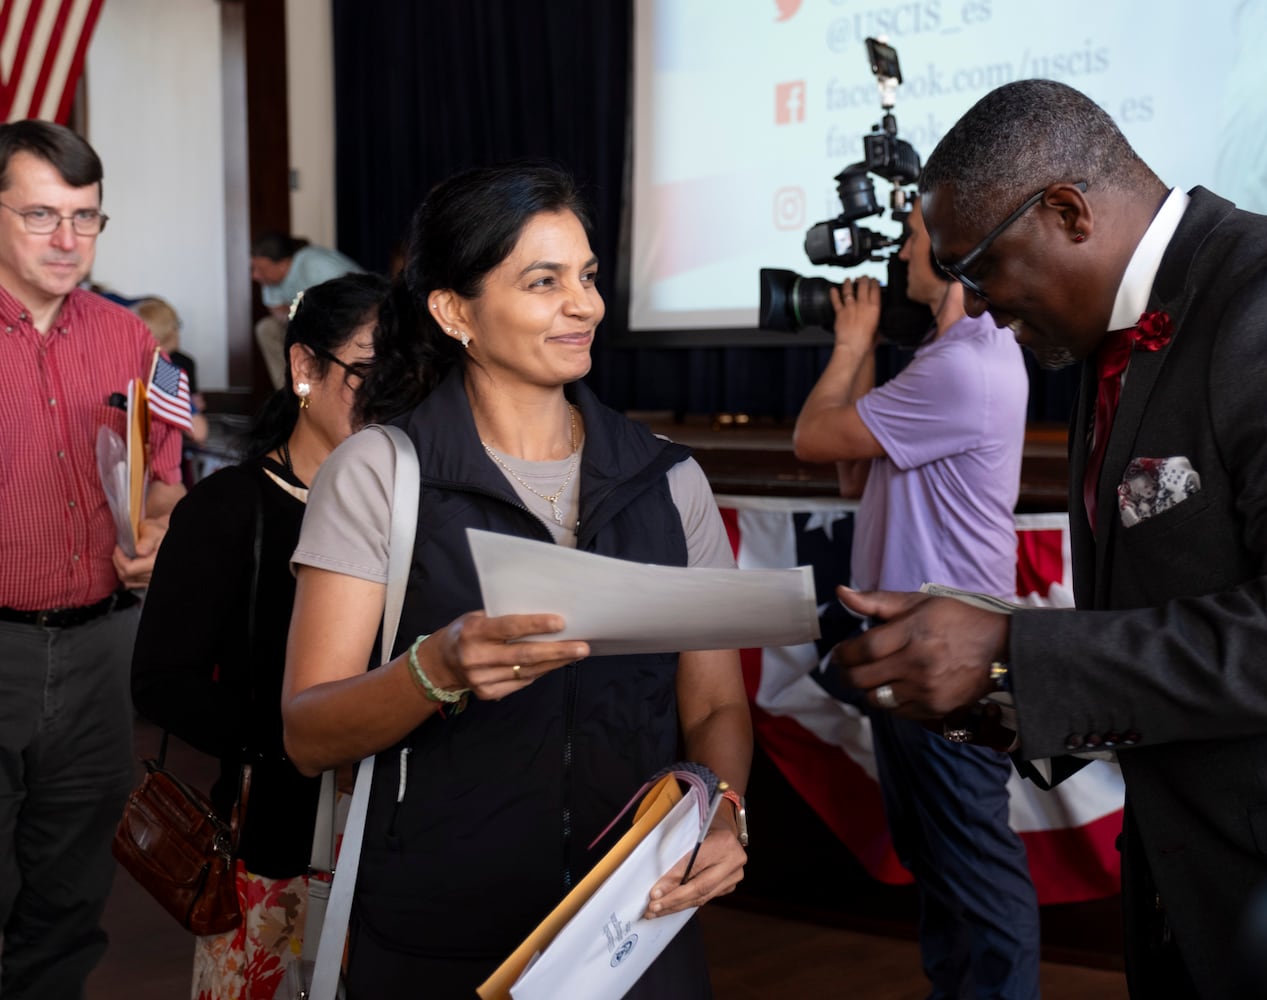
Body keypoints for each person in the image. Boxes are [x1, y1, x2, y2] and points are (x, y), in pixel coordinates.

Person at [830, 78, 1267, 1000]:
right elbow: (1182, 608)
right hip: (1212, 878)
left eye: (978, 271)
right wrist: (989, 683)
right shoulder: (1113, 349)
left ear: (1065, 211)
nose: (975, 309)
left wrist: (1018, 654)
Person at [280, 163, 751, 998]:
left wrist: (720, 809)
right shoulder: (381, 476)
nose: (586, 304)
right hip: (443, 931)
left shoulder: (669, 480)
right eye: (544, 282)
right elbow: (309, 730)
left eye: (589, 276)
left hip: (635, 923)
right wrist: (437, 670)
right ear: (455, 311)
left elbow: (713, 706)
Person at [791, 199, 1038, 1000]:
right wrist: (866, 354)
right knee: (938, 855)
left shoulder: (966, 362)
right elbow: (853, 468)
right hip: (910, 646)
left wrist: (852, 342)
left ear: (957, 251)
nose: (900, 257)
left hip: (949, 654)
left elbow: (813, 439)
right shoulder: (945, 357)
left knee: (973, 859)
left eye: (912, 240)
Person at [131, 273, 386, 1000]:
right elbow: (161, 682)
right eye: (369, 372)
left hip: (398, 841)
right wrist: (304, 740)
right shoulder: (229, 508)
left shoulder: (416, 509)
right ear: (306, 368)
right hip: (276, 833)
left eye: (411, 377)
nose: (392, 396)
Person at [0, 120, 185, 998]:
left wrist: (156, 532)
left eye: (87, 217)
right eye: (42, 216)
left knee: (71, 895)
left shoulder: (131, 342)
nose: (68, 240)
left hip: (103, 650)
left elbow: (163, 483)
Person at [250, 231, 362, 389]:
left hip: (352, 320)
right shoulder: (270, 282)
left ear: (282, 265)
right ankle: (289, 392)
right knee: (267, 328)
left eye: (260, 269)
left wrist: (304, 318)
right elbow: (280, 313)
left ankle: (327, 392)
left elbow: (349, 303)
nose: (255, 276)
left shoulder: (314, 263)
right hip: (311, 325)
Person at [133, 296, 210, 448]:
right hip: (159, 457)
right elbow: (199, 432)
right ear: (170, 331)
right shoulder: (164, 372)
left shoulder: (123, 365)